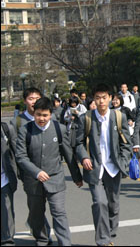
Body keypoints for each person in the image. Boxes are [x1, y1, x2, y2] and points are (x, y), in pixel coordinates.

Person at [15, 97, 83, 246]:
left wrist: (77, 176)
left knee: (59, 212)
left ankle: (65, 243)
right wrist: (36, 172)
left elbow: (69, 155)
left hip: (55, 179)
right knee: (36, 214)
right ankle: (43, 239)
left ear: (51, 114)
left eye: (45, 115)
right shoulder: (25, 130)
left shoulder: (60, 129)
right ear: (34, 114)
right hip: (33, 181)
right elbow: (20, 156)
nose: (41, 118)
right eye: (38, 114)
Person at [76, 83, 132, 246]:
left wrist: (123, 160)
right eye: (98, 98)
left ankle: (110, 235)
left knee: (113, 205)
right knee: (99, 203)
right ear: (93, 99)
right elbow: (78, 143)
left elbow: (127, 143)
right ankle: (103, 241)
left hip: (114, 167)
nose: (101, 101)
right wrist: (84, 157)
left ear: (110, 98)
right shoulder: (86, 118)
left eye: (104, 97)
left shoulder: (118, 117)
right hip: (95, 168)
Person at [1, 122, 18, 246]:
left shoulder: (6, 129)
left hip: (4, 178)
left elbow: (17, 151)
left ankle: (8, 239)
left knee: (7, 212)